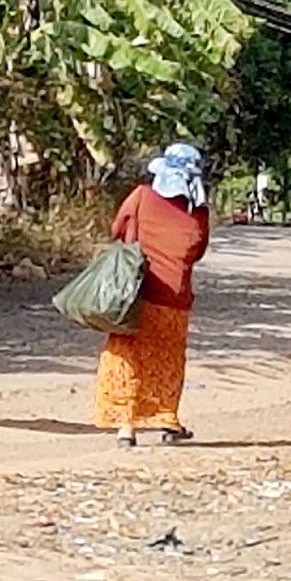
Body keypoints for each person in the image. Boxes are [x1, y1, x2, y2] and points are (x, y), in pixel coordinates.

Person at [94, 143, 210, 448]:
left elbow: (117, 228)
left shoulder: (142, 196)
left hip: (136, 294)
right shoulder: (198, 212)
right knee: (167, 359)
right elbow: (197, 252)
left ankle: (126, 427)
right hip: (175, 299)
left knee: (127, 353)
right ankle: (167, 420)